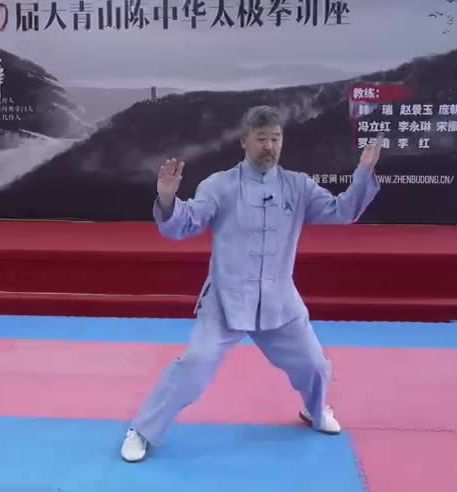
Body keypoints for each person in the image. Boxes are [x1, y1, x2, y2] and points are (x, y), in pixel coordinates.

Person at [120, 105, 384, 463]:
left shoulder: (298, 186)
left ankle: (315, 409)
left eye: (275, 139)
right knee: (195, 365)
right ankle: (142, 430)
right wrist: (167, 199)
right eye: (261, 139)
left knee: (315, 365)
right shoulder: (219, 186)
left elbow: (342, 211)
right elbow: (185, 223)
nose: (269, 147)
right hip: (226, 301)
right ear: (244, 142)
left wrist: (364, 171)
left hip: (280, 300)